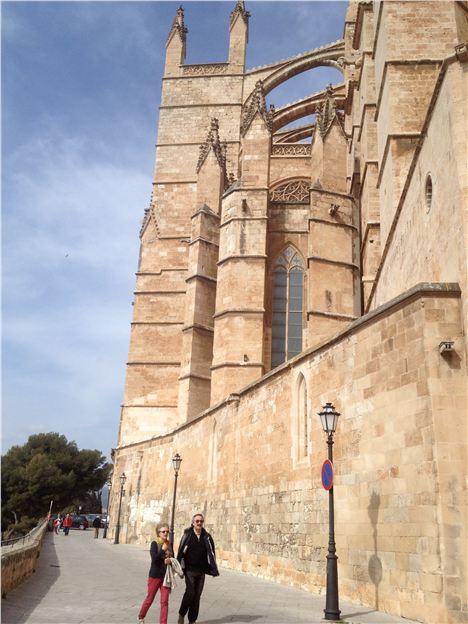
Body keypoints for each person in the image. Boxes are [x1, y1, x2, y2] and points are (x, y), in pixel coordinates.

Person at [177, 513, 219, 624]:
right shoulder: (188, 535)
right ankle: (181, 614)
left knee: (197, 596)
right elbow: (181, 551)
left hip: (201, 571)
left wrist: (213, 568)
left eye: (201, 521)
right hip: (189, 570)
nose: (199, 523)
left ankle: (192, 620)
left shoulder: (207, 536)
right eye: (197, 521)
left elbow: (211, 553)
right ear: (193, 523)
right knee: (190, 593)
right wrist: (179, 567)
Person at [138, 523, 172, 624]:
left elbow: (173, 557)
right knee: (150, 599)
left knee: (164, 602)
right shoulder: (154, 543)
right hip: (155, 576)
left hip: (166, 577)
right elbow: (154, 559)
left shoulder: (169, 544)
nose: (166, 533)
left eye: (167, 531)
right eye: (163, 531)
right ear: (158, 533)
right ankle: (141, 616)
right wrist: (162, 550)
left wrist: (170, 560)